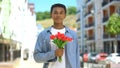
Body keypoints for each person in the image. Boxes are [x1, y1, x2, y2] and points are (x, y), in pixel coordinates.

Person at [33, 3, 80, 68]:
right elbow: (36, 57)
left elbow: (77, 57)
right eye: (55, 12)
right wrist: (54, 53)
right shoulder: (43, 35)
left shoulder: (73, 35)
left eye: (61, 13)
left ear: (65, 15)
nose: (58, 15)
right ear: (51, 15)